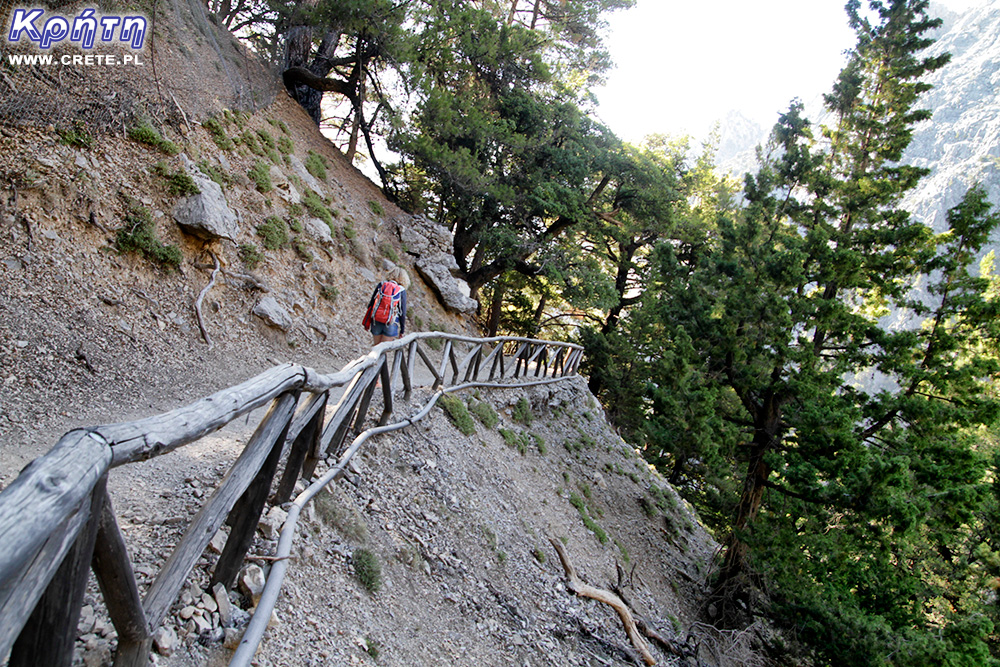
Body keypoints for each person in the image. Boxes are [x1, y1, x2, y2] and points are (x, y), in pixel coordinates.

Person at [362, 268, 409, 346]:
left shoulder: (382, 284)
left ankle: (372, 358)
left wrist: (367, 321)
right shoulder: (401, 290)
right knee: (384, 350)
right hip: (391, 323)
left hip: (376, 320)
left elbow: (372, 304)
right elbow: (402, 313)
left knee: (376, 347)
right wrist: (402, 330)